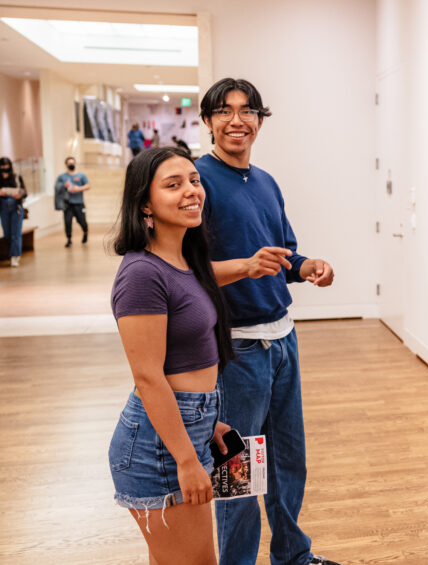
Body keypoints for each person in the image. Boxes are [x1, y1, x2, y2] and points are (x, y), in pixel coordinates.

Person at [197, 77, 338, 565]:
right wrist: (246, 267)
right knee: (238, 471)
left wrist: (307, 267)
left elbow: (283, 254)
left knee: (286, 461)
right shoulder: (197, 180)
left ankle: (293, 556)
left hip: (283, 341)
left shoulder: (265, 181)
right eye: (225, 111)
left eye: (247, 111)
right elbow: (182, 269)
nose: (237, 120)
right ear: (209, 120)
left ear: (259, 120)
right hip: (236, 351)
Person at [108, 146, 235, 563]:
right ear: (145, 203)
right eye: (173, 184)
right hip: (158, 448)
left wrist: (206, 420)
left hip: (186, 426)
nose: (191, 192)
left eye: (194, 181)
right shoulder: (142, 273)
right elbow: (148, 378)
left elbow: (185, 358)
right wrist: (185, 458)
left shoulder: (181, 258)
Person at [54, 156, 90, 248]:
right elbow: (57, 187)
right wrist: (64, 186)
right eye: (69, 163)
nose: (71, 164)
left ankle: (85, 231)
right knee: (67, 222)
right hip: (67, 204)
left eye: (72, 163)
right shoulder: (62, 177)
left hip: (79, 203)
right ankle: (69, 239)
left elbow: (88, 186)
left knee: (82, 221)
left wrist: (78, 188)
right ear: (66, 164)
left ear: (75, 163)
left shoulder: (81, 175)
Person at [0, 157, 27, 267]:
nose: (5, 168)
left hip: (16, 207)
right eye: (2, 166)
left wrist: (19, 195)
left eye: (7, 166)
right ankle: (9, 254)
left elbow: (24, 192)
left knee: (16, 233)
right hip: (3, 207)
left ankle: (15, 256)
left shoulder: (16, 177)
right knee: (7, 233)